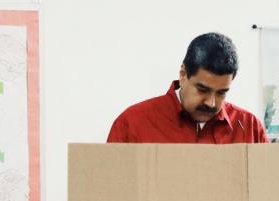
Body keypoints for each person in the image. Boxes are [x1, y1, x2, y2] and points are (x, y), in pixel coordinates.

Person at [107, 32, 268, 144]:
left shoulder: (249, 127)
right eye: (202, 90)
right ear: (183, 74)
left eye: (221, 93)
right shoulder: (132, 124)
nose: (211, 103)